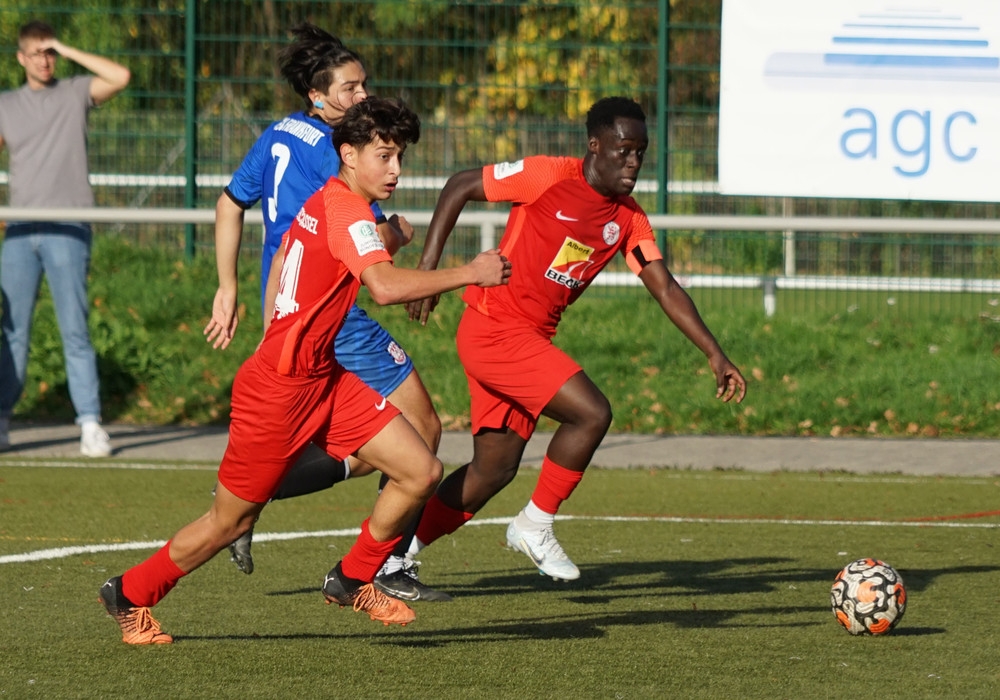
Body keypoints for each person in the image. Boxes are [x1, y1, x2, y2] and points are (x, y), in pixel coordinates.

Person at [99, 96, 512, 645]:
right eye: (384, 156)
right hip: (278, 392)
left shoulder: (330, 201)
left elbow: (310, 257)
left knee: (420, 470)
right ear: (348, 154)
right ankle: (129, 594)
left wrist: (390, 238)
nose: (396, 169)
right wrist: (471, 272)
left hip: (324, 379)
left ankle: (352, 579)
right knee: (229, 523)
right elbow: (384, 286)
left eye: (400, 157)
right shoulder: (345, 211)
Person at [403, 96, 747, 583]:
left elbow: (666, 288)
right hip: (494, 327)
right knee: (592, 412)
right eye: (623, 150)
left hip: (527, 338)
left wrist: (715, 353)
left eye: (641, 152)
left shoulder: (628, 219)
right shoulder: (548, 175)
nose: (633, 162)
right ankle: (534, 524)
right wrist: (428, 268)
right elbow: (460, 184)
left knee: (492, 470)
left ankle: (394, 555)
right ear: (595, 145)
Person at [203, 23, 447, 601]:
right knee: (422, 430)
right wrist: (398, 234)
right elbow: (365, 245)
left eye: (364, 85)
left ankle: (253, 498)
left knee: (367, 448)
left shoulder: (279, 133)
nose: (363, 96)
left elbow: (229, 203)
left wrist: (227, 287)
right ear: (317, 95)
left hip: (286, 305)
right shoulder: (335, 149)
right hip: (330, 311)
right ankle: (384, 566)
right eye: (350, 88)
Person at [0, 21, 130, 457]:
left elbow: (120, 76)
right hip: (20, 232)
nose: (45, 60)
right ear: (20, 58)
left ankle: (90, 424)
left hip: (68, 228)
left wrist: (66, 48)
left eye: (50, 52)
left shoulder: (74, 92)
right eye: (37, 53)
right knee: (12, 331)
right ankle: (2, 419)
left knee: (75, 329)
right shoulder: (6, 104)